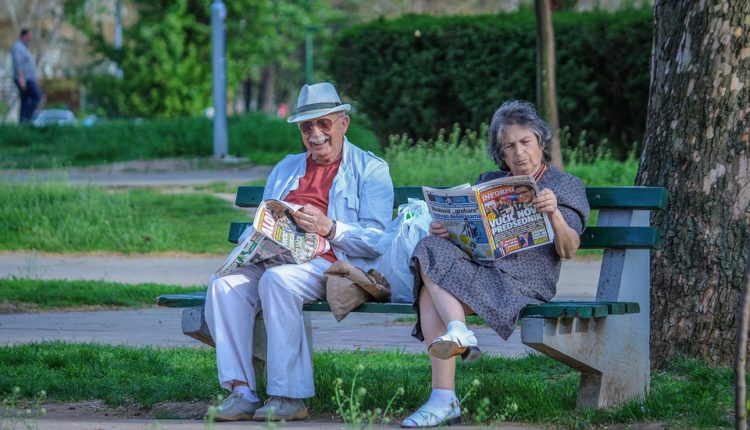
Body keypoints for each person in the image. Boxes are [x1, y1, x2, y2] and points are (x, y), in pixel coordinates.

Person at [205, 82, 394, 422]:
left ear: (343, 124)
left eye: (325, 123)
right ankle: (241, 391)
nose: (316, 133)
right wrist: (256, 242)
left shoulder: (371, 169)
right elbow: (265, 218)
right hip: (278, 258)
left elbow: (379, 240)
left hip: (332, 263)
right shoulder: (286, 168)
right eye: (307, 126)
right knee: (224, 285)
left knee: (278, 281)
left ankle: (289, 396)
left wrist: (330, 228)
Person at [402, 100, 589, 427]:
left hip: (525, 284)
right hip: (483, 271)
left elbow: (569, 248)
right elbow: (471, 239)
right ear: (501, 154)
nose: (519, 153)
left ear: (540, 143)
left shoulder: (564, 186)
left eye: (525, 142)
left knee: (429, 293)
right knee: (429, 246)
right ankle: (458, 335)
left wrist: (554, 213)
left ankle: (443, 397)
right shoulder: (490, 181)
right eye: (509, 146)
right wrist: (449, 231)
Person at [12, 29, 42, 123]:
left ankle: (23, 121)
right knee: (37, 96)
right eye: (30, 35)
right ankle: (27, 117)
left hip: (29, 79)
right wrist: (21, 78)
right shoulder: (18, 47)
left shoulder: (25, 47)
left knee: (25, 100)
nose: (31, 37)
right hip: (25, 79)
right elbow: (18, 63)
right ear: (24, 35)